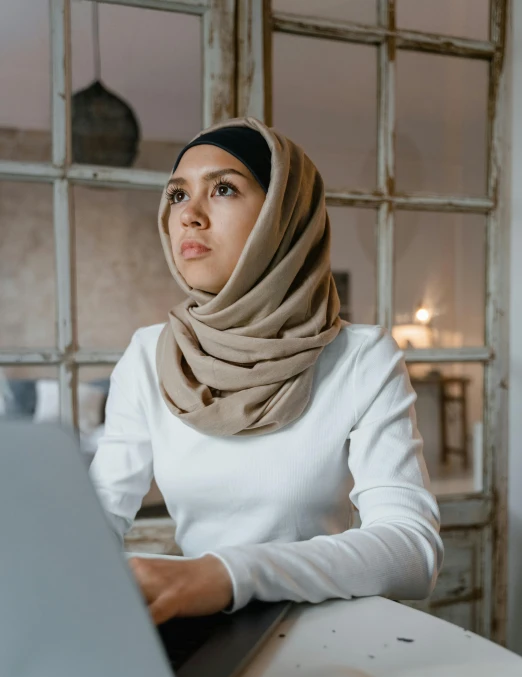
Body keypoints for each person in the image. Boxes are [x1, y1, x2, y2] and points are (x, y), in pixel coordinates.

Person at [89, 116, 444, 626]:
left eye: (224, 189)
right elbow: (98, 513)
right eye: (176, 195)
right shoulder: (149, 355)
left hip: (325, 629)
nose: (189, 215)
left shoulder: (363, 358)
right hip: (194, 623)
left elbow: (413, 550)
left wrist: (228, 574)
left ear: (283, 215)